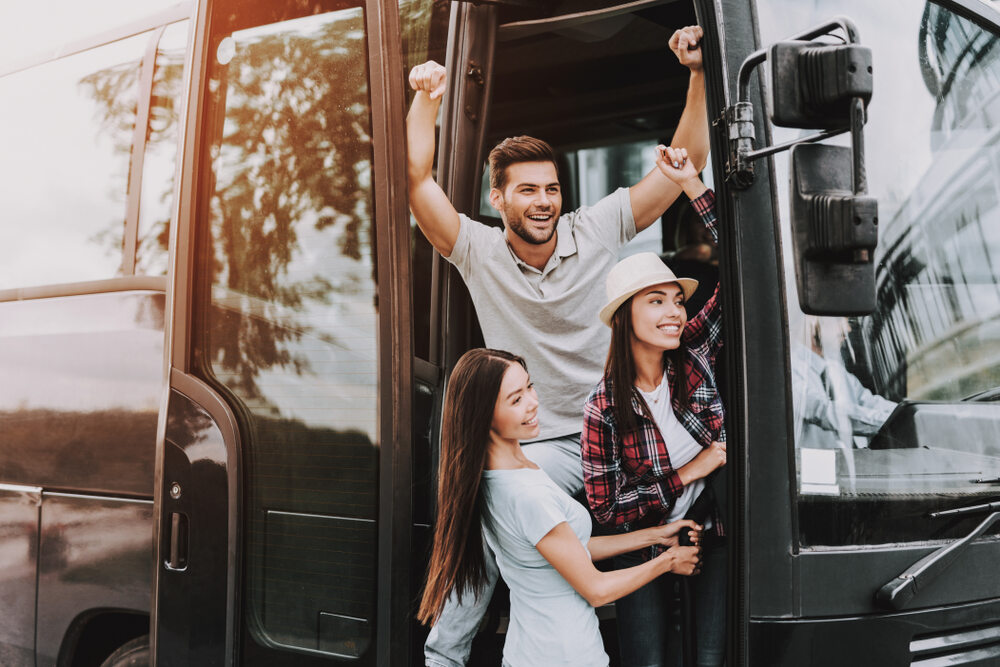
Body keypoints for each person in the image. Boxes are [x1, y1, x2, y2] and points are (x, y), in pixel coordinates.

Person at [407, 25, 711, 667]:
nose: (543, 202)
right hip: (541, 444)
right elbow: (417, 184)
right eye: (527, 190)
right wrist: (426, 100)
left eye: (550, 188)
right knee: (493, 508)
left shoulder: (596, 229)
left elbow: (683, 168)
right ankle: (445, 655)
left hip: (619, 433)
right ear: (498, 199)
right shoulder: (478, 250)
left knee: (711, 480)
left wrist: (700, 74)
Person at [418, 348, 704, 667]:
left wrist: (654, 536)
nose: (533, 401)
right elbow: (596, 589)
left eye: (529, 386)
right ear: (484, 417)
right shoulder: (527, 493)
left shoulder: (499, 477)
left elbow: (569, 550)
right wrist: (667, 562)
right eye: (516, 399)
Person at [582, 148, 726, 667]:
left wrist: (692, 185)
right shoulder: (602, 407)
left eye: (676, 299)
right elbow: (607, 508)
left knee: (711, 659)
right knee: (646, 660)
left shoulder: (694, 352)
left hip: (712, 534)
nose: (673, 311)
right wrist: (690, 471)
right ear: (625, 317)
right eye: (655, 300)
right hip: (640, 546)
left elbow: (747, 262)